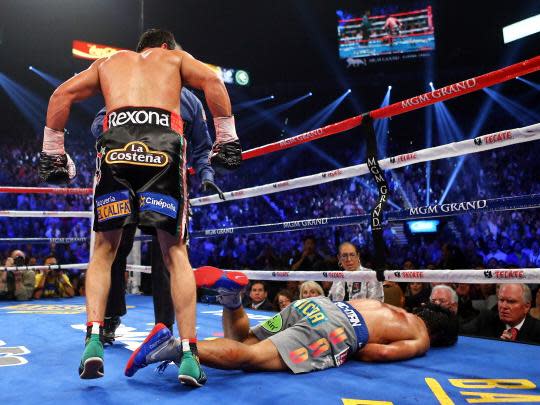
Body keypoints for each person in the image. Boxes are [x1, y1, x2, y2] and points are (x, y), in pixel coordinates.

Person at [39, 29, 241, 385]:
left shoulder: (110, 62)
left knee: (104, 250)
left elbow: (62, 94)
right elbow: (212, 80)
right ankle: (190, 356)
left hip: (115, 142)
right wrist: (227, 138)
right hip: (163, 142)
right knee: (175, 253)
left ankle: (93, 341)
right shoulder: (174, 58)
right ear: (165, 47)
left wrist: (53, 151)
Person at [125, 267, 458, 379]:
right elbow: (379, 355)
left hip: (316, 305)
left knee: (246, 342)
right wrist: (350, 348)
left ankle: (232, 298)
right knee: (252, 360)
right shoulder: (421, 336)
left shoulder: (387, 305)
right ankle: (173, 347)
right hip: (334, 330)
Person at [91, 81, 220, 344]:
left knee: (168, 255)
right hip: (126, 177)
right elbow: (97, 126)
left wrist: (206, 173)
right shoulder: (128, 86)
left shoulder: (189, 101)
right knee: (114, 248)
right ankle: (109, 317)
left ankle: (164, 326)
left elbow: (202, 146)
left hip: (165, 180)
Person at [463, 283, 540, 344]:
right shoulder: (485, 319)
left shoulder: (537, 329)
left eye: (511, 301)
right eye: (501, 300)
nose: (503, 306)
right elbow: (459, 331)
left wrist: (515, 347)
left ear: (526, 307)